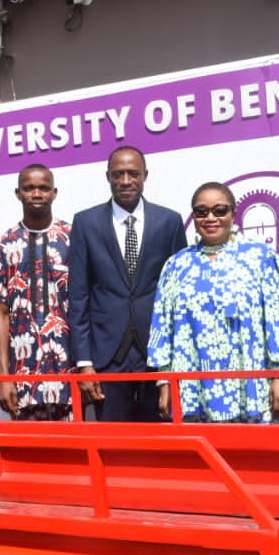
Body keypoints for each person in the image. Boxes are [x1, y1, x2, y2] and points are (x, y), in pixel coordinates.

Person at [148, 182, 279, 422]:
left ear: (233, 213)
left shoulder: (260, 258)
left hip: (252, 385)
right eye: (201, 212)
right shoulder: (176, 265)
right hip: (193, 388)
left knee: (252, 457)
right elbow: (162, 326)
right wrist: (164, 381)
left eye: (219, 210)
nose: (210, 218)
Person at [69, 146, 188, 421]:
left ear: (145, 175)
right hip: (106, 358)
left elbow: (178, 297)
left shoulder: (169, 221)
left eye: (133, 173)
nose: (125, 181)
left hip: (157, 357)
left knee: (160, 445)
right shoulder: (86, 223)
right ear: (107, 177)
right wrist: (84, 363)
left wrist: (176, 360)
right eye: (118, 174)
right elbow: (78, 297)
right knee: (113, 444)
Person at [0, 164, 72, 420]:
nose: (36, 194)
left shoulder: (72, 238)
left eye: (43, 188)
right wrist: (4, 378)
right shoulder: (4, 244)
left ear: (54, 192)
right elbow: (0, 314)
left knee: (76, 451)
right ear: (17, 193)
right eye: (29, 188)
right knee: (31, 451)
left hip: (70, 374)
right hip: (23, 378)